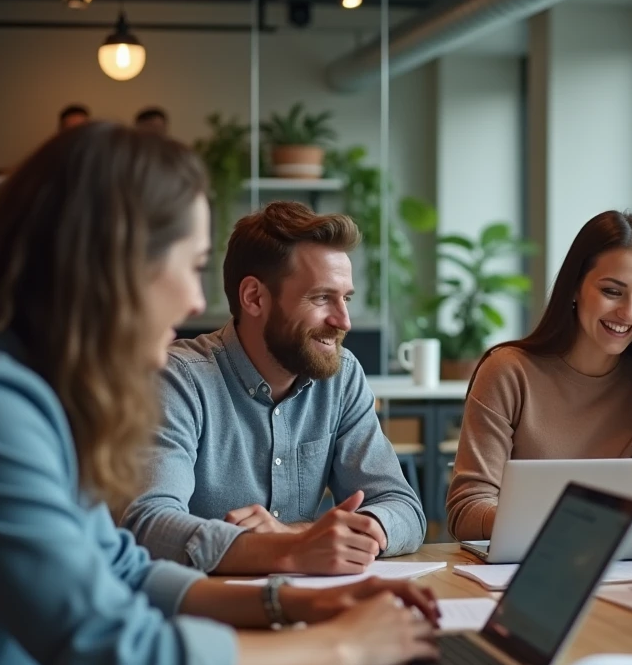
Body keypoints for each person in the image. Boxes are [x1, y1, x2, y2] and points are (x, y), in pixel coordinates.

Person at [0, 123, 438, 665]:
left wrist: (304, 598)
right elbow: (122, 661)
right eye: (189, 266)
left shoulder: (29, 394)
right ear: (113, 261)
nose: (196, 298)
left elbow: (123, 570)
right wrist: (344, 647)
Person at [122, 202, 425, 576]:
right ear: (254, 298)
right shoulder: (178, 380)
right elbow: (149, 526)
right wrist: (285, 548)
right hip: (205, 612)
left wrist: (305, 535)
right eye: (320, 298)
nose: (343, 320)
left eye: (345, 298)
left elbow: (403, 508)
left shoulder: (342, 376)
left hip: (312, 608)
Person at [446, 210, 632, 540]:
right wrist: (565, 523)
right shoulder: (508, 372)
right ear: (574, 287)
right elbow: (467, 511)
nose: (629, 312)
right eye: (612, 291)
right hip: (527, 572)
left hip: (631, 573)